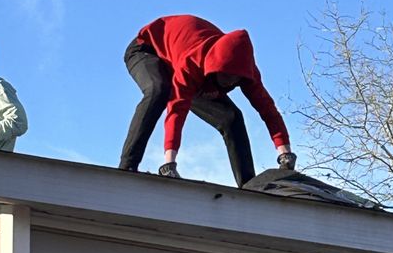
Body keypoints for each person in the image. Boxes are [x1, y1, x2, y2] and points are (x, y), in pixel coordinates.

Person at [118, 14, 296, 186]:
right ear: (217, 68)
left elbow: (268, 110)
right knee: (159, 90)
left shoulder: (247, 72)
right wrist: (169, 163)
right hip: (147, 49)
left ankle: (248, 184)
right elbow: (177, 110)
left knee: (231, 118)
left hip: (190, 66)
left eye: (233, 81)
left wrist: (285, 153)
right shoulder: (192, 63)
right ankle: (128, 165)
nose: (229, 84)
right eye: (225, 78)